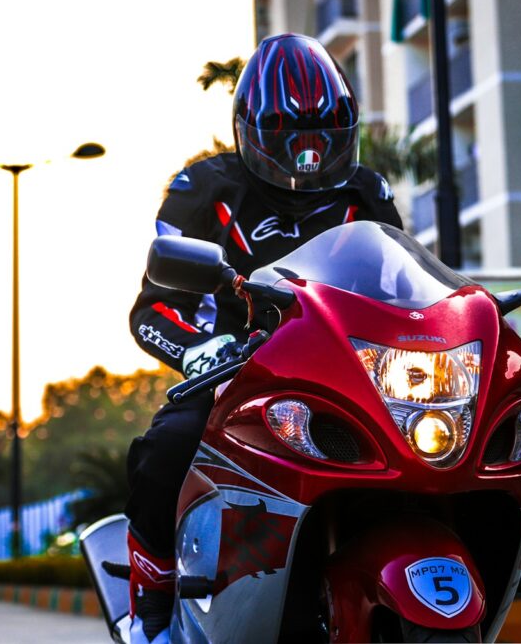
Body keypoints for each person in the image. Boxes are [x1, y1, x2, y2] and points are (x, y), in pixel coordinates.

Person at [125, 33, 403, 643]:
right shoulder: (201, 190)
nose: (308, 157)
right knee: (163, 448)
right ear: (249, 131)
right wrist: (202, 350)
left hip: (352, 372)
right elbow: (150, 311)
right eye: (289, 140)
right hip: (239, 371)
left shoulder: (367, 193)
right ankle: (152, 609)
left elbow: (396, 284)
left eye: (324, 138)